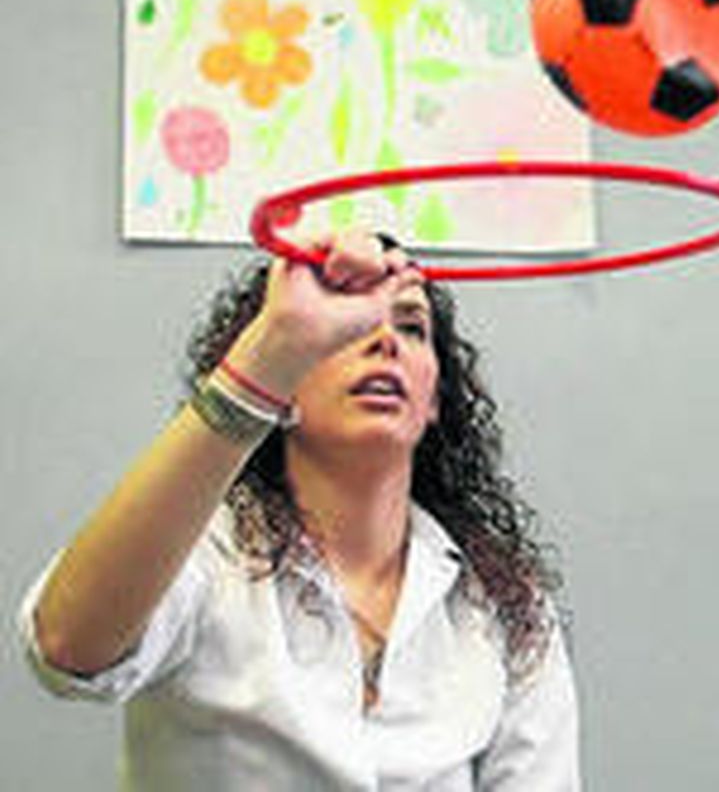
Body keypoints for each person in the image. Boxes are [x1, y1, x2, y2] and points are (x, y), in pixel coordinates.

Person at [18, 232, 579, 789]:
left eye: (410, 326)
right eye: (349, 328)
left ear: (435, 399)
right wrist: (263, 361)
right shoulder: (202, 551)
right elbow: (67, 647)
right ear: (284, 377)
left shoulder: (509, 604)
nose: (383, 341)